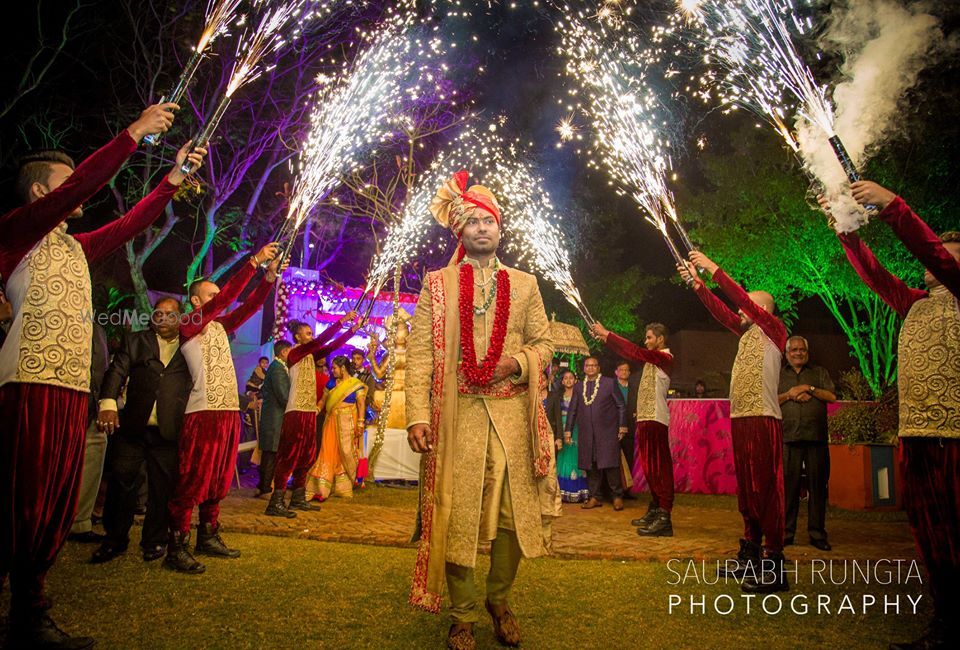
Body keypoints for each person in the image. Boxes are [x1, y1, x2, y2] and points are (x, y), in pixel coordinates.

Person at [0, 103, 204, 647]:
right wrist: (133, 133)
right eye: (69, 185)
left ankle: (28, 611)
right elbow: (81, 185)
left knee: (52, 503)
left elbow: (131, 222)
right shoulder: (17, 233)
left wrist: (173, 181)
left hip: (73, 390)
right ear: (44, 194)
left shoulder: (77, 246)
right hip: (29, 383)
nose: (81, 192)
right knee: (18, 498)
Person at [405, 170, 557, 649]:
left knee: (514, 517)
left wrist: (517, 361)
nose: (481, 228)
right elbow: (422, 354)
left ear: (500, 227)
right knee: (457, 514)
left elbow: (545, 344)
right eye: (471, 222)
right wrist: (417, 415)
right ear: (460, 233)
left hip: (512, 416)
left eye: (488, 220)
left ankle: (499, 599)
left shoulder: (527, 284)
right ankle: (463, 614)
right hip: (457, 415)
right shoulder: (438, 284)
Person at [825, 181, 959, 648]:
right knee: (932, 539)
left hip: (957, 438)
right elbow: (876, 278)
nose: (937, 257)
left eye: (945, 252)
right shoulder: (915, 304)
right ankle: (945, 625)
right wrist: (848, 234)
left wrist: (892, 206)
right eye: (937, 249)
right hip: (919, 436)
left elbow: (937, 254)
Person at [164, 243, 283, 574]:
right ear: (196, 301)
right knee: (191, 480)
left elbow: (248, 306)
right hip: (201, 413)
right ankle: (176, 547)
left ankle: (208, 536)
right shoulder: (190, 323)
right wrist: (253, 263)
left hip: (228, 412)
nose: (219, 298)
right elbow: (228, 298)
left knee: (218, 481)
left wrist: (268, 279)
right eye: (212, 294)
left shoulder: (219, 324)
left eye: (218, 293)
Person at [680, 250, 789, 594]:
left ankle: (774, 564)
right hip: (741, 418)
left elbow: (738, 300)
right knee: (747, 491)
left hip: (763, 419)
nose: (740, 312)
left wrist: (713, 269)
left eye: (748, 307)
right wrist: (698, 286)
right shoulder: (745, 333)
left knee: (767, 491)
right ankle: (751, 553)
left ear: (763, 311)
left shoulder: (774, 330)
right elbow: (722, 310)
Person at [91, 297, 192, 565]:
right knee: (122, 483)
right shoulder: (136, 340)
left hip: (169, 431)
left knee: (162, 489)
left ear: (181, 318)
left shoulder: (190, 346)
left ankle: (154, 541)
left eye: (170, 314)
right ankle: (114, 540)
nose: (163, 318)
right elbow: (116, 372)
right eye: (158, 313)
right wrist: (108, 403)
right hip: (133, 427)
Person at [266, 316, 358, 517]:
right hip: (296, 411)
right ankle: (277, 501)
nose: (312, 336)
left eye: (311, 333)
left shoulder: (309, 355)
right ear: (297, 336)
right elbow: (320, 342)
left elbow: (330, 345)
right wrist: (341, 322)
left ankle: (298, 497)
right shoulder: (296, 352)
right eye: (308, 333)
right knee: (288, 456)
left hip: (308, 411)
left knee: (306, 456)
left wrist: (352, 331)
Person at [593, 322, 675, 536]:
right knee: (650, 469)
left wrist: (608, 335)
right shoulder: (651, 359)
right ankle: (656, 509)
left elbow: (633, 351)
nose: (646, 341)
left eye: (649, 338)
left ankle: (665, 516)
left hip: (657, 419)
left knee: (660, 469)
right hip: (646, 419)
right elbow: (632, 352)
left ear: (661, 339)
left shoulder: (664, 358)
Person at [777, 335, 836, 552]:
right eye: (794, 350)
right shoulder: (779, 374)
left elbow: (831, 397)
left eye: (802, 350)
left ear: (807, 353)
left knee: (817, 488)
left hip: (816, 439)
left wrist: (808, 388)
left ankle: (817, 534)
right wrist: (791, 395)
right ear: (787, 354)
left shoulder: (818, 372)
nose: (798, 353)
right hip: (789, 438)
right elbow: (771, 399)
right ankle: (786, 533)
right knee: (788, 489)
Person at [564, 357, 628, 511]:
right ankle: (595, 497)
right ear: (584, 368)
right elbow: (572, 410)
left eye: (594, 365)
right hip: (587, 434)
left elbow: (621, 405)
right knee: (591, 465)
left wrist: (622, 426)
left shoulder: (609, 383)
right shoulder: (579, 387)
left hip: (607, 432)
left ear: (598, 368)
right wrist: (568, 431)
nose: (591, 368)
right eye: (588, 365)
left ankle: (617, 497)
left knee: (611, 465)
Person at [67, 324, 110, 544]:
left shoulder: (98, 329)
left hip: (93, 407)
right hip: (66, 403)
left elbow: (102, 368)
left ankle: (80, 523)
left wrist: (105, 402)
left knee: (93, 461)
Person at [304, 355, 367, 500]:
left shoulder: (355, 384)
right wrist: (316, 411)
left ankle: (342, 488)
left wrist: (361, 422)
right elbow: (322, 401)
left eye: (335, 368)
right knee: (327, 451)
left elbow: (361, 404)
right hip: (331, 422)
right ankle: (321, 487)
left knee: (345, 452)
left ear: (343, 368)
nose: (332, 371)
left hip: (348, 423)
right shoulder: (331, 383)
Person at [255, 340, 292, 498]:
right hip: (274, 418)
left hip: (273, 417)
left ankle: (263, 486)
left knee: (270, 453)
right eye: (290, 351)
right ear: (283, 352)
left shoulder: (278, 367)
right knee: (270, 453)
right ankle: (265, 488)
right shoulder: (277, 369)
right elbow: (282, 395)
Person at [546, 370, 590, 503]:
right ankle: (562, 491)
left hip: (576, 428)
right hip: (561, 427)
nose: (568, 380)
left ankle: (578, 491)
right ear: (562, 381)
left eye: (571, 378)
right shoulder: (558, 396)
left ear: (576, 380)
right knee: (562, 456)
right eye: (566, 378)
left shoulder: (581, 395)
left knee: (576, 455)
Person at [614, 361, 639, 475]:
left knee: (628, 457)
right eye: (621, 369)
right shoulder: (611, 387)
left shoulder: (634, 388)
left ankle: (626, 490)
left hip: (629, 427)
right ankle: (612, 490)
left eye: (626, 370)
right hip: (613, 427)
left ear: (629, 373)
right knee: (612, 459)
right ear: (616, 372)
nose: (624, 372)